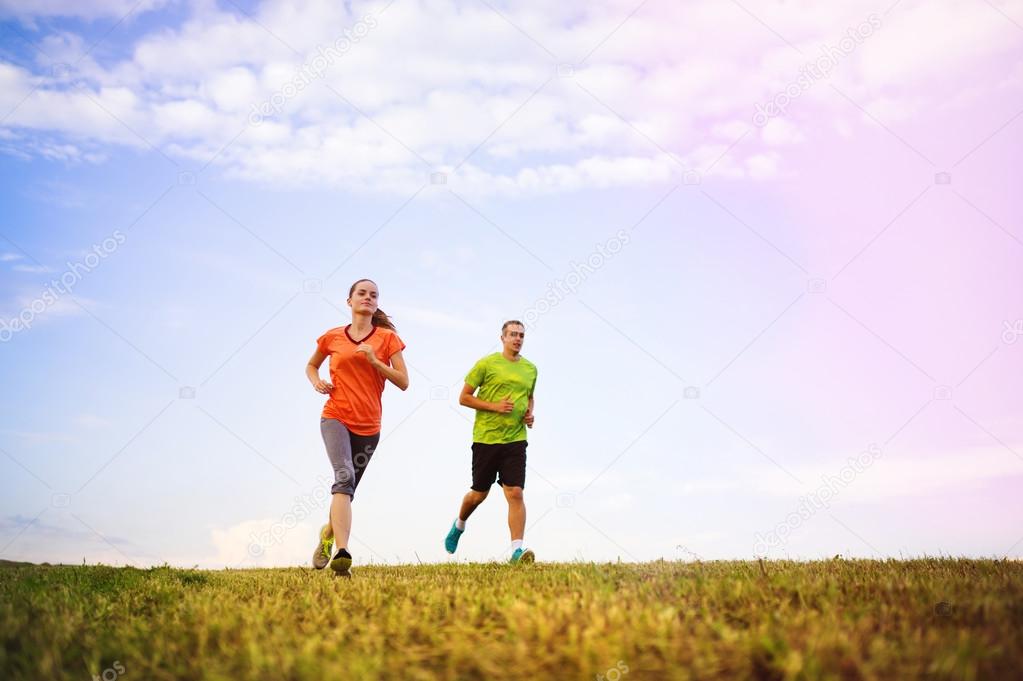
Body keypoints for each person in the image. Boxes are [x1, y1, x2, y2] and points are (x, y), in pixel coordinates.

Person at [306, 279, 408, 576]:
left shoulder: (387, 339)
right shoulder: (332, 337)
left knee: (346, 491)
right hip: (335, 416)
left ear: (376, 304)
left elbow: (403, 382)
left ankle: (327, 536)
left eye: (373, 295)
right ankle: (342, 553)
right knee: (344, 477)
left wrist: (376, 361)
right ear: (349, 301)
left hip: (369, 426)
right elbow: (311, 365)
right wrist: (317, 382)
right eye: (361, 293)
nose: (368, 297)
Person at [445, 320, 537, 563]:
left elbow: (529, 397)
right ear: (503, 338)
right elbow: (464, 398)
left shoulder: (530, 369)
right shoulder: (486, 364)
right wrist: (495, 407)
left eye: (521, 335)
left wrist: (529, 414)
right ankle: (459, 524)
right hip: (486, 438)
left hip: (516, 439)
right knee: (478, 494)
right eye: (513, 335)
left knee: (515, 492)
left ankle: (517, 551)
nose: (517, 339)